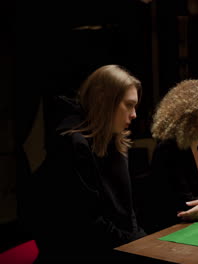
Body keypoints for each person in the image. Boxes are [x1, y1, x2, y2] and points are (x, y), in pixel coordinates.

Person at [27, 65, 147, 263]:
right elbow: (87, 226)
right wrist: (138, 243)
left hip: (115, 245)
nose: (134, 114)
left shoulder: (116, 140)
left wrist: (141, 239)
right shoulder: (71, 144)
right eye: (129, 105)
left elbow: (127, 209)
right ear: (104, 101)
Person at [137, 79, 198, 234]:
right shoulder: (168, 150)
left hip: (197, 227)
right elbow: (186, 209)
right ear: (187, 120)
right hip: (168, 231)